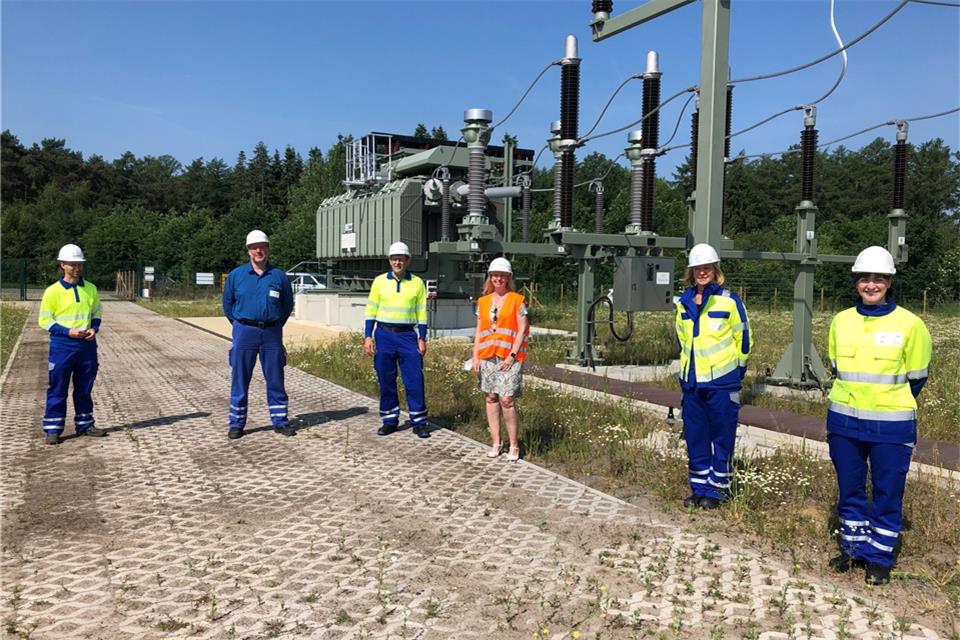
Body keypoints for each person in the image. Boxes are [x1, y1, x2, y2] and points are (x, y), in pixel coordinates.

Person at [826, 246, 931, 586]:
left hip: (891, 425)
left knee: (887, 491)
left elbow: (917, 377)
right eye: (865, 279)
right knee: (850, 488)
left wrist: (887, 401)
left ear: (889, 282)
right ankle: (853, 548)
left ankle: (880, 558)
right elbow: (836, 369)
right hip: (844, 423)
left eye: (879, 279)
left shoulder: (911, 325)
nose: (871, 285)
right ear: (857, 281)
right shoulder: (841, 321)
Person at [674, 243, 752, 509]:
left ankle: (718, 490)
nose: (702, 273)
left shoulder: (730, 301)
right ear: (691, 272)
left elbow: (744, 338)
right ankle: (699, 487)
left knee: (722, 434)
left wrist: (737, 371)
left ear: (715, 270)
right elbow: (682, 340)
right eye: (697, 269)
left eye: (706, 268)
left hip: (722, 381)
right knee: (695, 434)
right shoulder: (683, 302)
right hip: (692, 381)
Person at [221, 230, 295, 439]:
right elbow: (228, 304)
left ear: (268, 249)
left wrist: (275, 324)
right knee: (240, 378)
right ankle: (236, 424)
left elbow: (287, 304)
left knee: (275, 378)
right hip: (245, 332)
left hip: (272, 332)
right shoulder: (236, 276)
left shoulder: (279, 276)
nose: (258, 250)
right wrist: (239, 325)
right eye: (254, 247)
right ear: (248, 251)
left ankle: (280, 421)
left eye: (262, 246)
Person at [38, 244, 107, 445]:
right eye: (72, 264)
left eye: (79, 264)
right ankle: (53, 429)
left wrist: (94, 328)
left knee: (84, 387)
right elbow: (45, 320)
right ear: (62, 265)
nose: (77, 268)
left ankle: (85, 424)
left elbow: (96, 313)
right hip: (62, 346)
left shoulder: (91, 288)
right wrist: (68, 331)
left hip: (86, 346)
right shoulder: (52, 291)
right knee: (58, 387)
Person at [364, 242, 430, 438]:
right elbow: (371, 310)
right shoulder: (379, 281)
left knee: (414, 379)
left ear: (407, 260)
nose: (397, 262)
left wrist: (422, 337)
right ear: (389, 260)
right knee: (386, 378)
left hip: (408, 336)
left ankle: (419, 421)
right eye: (394, 258)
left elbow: (422, 313)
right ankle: (390, 420)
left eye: (401, 258)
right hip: (384, 334)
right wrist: (368, 336)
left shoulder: (417, 283)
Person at [472, 257, 529, 462]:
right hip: (487, 356)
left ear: (508, 278)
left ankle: (514, 444)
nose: (499, 279)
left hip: (509, 357)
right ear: (490, 277)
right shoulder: (483, 301)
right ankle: (496, 442)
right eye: (495, 275)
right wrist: (475, 354)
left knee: (507, 399)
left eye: (503, 276)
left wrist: (512, 356)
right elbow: (479, 330)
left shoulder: (517, 300)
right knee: (491, 397)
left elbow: (522, 329)